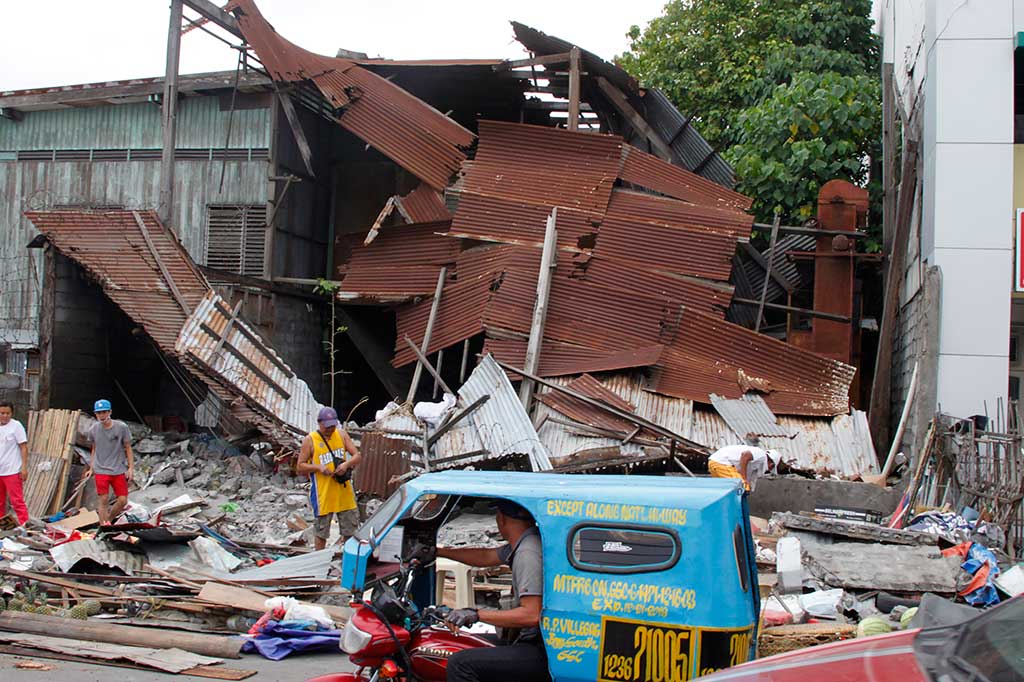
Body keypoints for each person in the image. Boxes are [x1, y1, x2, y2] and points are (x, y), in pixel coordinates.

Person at [439, 500, 550, 682]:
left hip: (537, 648)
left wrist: (475, 614)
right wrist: (439, 552)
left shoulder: (527, 552)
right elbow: (487, 555)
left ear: (502, 519)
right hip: (528, 641)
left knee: (459, 664)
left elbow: (532, 615)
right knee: (462, 642)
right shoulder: (524, 542)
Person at [295, 407, 362, 550]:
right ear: (319, 423)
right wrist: (318, 467)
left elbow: (357, 455)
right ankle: (319, 562)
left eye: (333, 426)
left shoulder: (342, 435)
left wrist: (346, 464)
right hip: (323, 494)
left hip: (344, 492)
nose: (330, 429)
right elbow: (300, 466)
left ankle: (347, 560)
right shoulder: (310, 440)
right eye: (327, 427)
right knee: (321, 533)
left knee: (350, 529)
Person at [86, 399, 134, 526]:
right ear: (95, 414)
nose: (101, 416)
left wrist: (130, 468)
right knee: (103, 499)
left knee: (123, 500)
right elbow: (94, 448)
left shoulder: (121, 427)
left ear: (110, 412)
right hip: (101, 468)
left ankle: (109, 519)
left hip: (118, 468)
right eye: (98, 413)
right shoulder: (93, 429)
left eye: (104, 412)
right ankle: (104, 526)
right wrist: (91, 468)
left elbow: (128, 447)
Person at [0, 401, 29, 527]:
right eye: (2, 413)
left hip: (12, 470)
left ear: (11, 413)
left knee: (17, 501)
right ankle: (3, 527)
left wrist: (23, 467)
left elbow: (23, 447)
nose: (5, 416)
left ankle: (25, 526)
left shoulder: (16, 426)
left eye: (7, 413)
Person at [708, 444, 781, 492]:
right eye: (771, 467)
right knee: (740, 488)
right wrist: (743, 478)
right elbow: (745, 455)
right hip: (722, 463)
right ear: (771, 464)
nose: (769, 469)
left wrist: (749, 488)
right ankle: (737, 514)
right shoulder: (761, 454)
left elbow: (752, 478)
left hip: (715, 462)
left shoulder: (757, 462)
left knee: (726, 491)